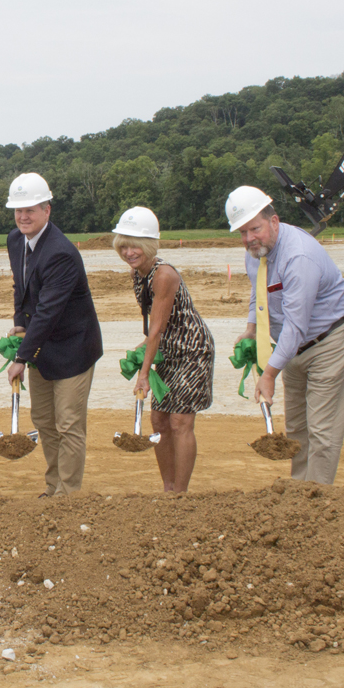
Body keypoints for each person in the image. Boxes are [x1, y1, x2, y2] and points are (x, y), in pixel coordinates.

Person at [228, 185, 344, 485]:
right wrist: (251, 328)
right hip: (293, 348)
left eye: (255, 229)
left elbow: (296, 325)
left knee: (322, 430)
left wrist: (269, 374)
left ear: (273, 221)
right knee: (298, 427)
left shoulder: (298, 257)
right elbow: (258, 290)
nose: (249, 238)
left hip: (330, 340)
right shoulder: (255, 252)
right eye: (242, 232)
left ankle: (315, 501)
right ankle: (301, 492)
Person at [3, 173, 103, 497]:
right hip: (41, 347)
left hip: (73, 348)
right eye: (18, 210)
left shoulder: (60, 253)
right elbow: (22, 289)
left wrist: (20, 357)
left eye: (30, 209)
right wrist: (19, 324)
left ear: (47, 210)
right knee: (44, 420)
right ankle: (52, 488)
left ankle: (67, 496)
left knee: (69, 423)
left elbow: (47, 312)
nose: (23, 216)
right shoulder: (16, 240)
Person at [112, 207, 214, 492]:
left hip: (193, 351)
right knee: (159, 419)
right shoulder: (138, 274)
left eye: (136, 246)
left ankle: (180, 493)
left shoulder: (163, 275)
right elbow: (154, 327)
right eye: (124, 245)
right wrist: (143, 351)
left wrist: (144, 374)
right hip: (168, 351)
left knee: (180, 420)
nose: (129, 252)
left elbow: (156, 329)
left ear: (150, 245)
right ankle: (169, 487)